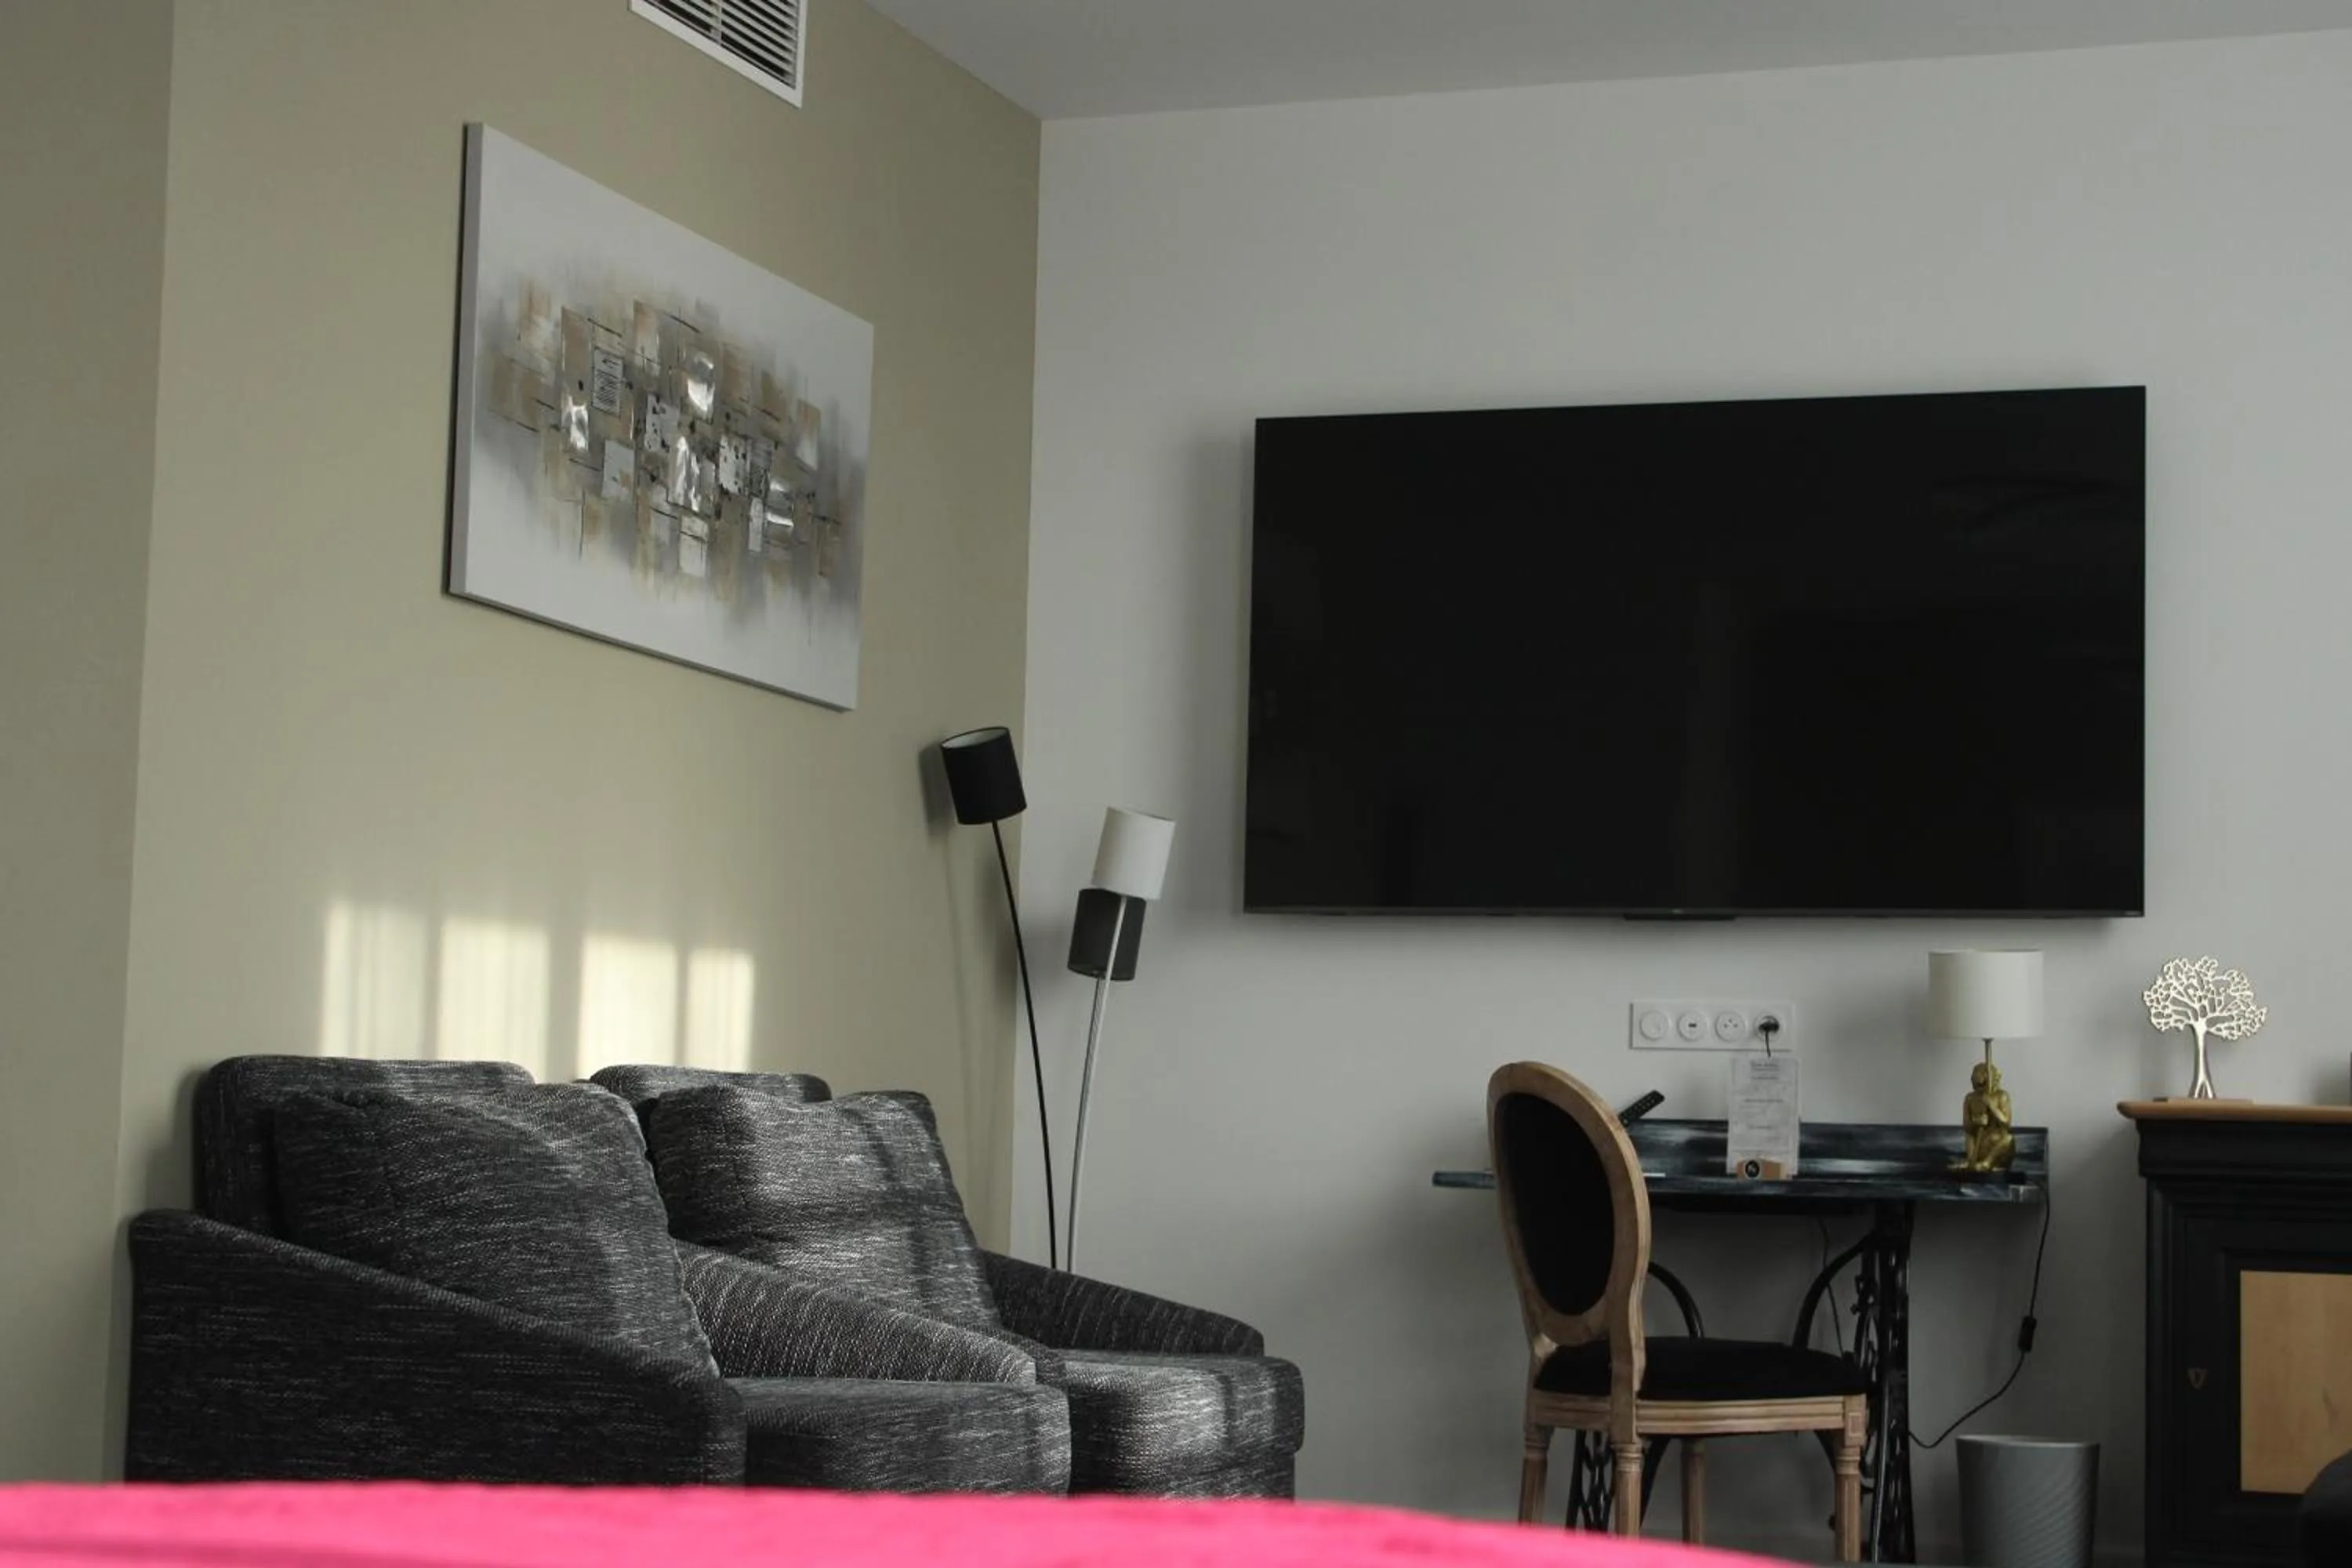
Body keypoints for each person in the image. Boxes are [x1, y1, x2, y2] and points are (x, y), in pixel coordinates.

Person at [1958, 1059, 2016, 1172]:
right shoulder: (1970, 1098)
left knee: (2009, 1139)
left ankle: (1988, 1163)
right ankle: (1972, 1161)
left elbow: (2006, 1123)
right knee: (1969, 1136)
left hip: (1995, 1143)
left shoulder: (2002, 1096)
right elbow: (1967, 1126)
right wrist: (1976, 1123)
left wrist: (1992, 1107)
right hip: (1979, 1145)